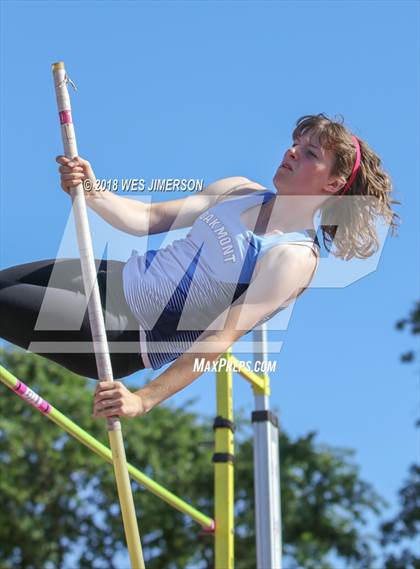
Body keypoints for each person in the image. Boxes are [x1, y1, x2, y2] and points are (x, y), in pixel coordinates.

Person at [0, 114, 400, 419]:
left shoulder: (293, 257)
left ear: (333, 184)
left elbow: (218, 339)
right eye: (296, 143)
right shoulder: (239, 190)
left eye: (310, 153)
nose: (292, 151)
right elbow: (146, 218)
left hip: (125, 333)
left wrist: (144, 400)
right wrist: (92, 190)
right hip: (113, 277)